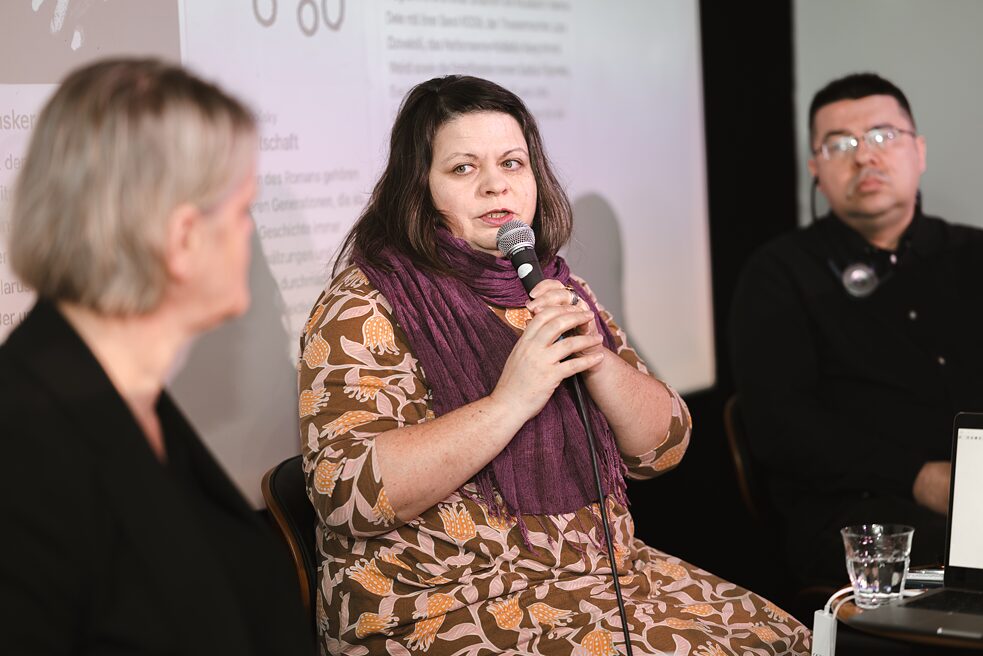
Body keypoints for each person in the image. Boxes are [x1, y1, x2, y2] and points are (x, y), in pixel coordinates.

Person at [300, 75, 810, 655]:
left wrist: (599, 362)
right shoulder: (365, 305)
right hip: (443, 607)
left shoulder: (553, 287)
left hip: (598, 581)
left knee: (786, 640)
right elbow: (343, 495)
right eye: (463, 168)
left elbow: (664, 448)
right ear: (420, 189)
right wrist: (509, 402)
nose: (495, 185)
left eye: (512, 164)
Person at [0, 59, 314, 655]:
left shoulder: (134, 400)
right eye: (242, 210)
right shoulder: (25, 448)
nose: (252, 236)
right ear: (181, 240)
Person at [730, 72, 983, 587]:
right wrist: (921, 476)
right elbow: (781, 428)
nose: (865, 156)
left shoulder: (973, 255)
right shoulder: (779, 274)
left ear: (920, 151)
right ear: (815, 168)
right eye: (840, 144)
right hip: (861, 517)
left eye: (884, 136)